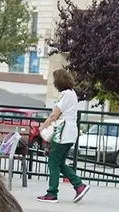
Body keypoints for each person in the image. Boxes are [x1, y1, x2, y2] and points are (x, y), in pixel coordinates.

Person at [36, 69, 89, 204]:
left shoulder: (64, 95)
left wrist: (43, 126)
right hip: (71, 133)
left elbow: (55, 115)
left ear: (58, 81)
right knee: (59, 163)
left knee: (53, 162)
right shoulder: (72, 94)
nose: (53, 83)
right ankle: (79, 185)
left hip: (62, 133)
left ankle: (52, 193)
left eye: (54, 80)